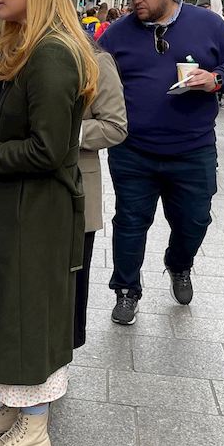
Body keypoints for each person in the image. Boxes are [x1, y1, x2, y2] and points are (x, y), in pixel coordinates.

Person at [0, 0, 99, 446]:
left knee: (28, 311)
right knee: (8, 307)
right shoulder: (31, 49)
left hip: (37, 213)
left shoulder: (52, 54)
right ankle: (14, 404)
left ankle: (35, 421)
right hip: (16, 208)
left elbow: (49, 150)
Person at [98, 0, 224, 325]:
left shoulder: (208, 25)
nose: (135, 0)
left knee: (195, 221)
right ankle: (126, 290)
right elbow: (89, 64)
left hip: (192, 150)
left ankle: (179, 263)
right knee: (130, 222)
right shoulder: (119, 32)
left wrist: (215, 79)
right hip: (133, 150)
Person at [75, 49, 128, 348]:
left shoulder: (94, 61)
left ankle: (59, 364)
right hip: (24, 190)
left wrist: (64, 130)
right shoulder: (19, 53)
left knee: (71, 286)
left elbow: (115, 126)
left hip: (77, 192)